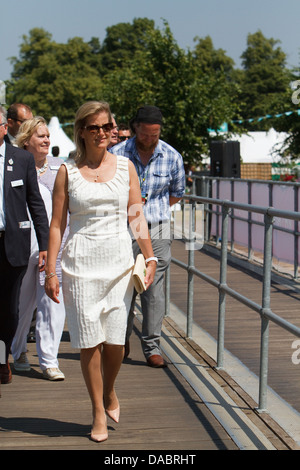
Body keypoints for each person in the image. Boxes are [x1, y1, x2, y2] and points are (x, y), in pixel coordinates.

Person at [44, 101, 156, 443]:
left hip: (119, 264)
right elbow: (56, 225)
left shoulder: (125, 168)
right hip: (79, 267)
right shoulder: (67, 171)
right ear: (82, 131)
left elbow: (136, 214)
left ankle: (109, 389)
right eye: (97, 128)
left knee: (116, 344)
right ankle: (97, 411)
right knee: (89, 342)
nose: (106, 133)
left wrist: (150, 258)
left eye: (109, 127)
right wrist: (51, 271)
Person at [111, 105, 185, 368]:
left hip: (158, 226)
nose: (151, 140)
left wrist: (154, 210)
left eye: (155, 135)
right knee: (125, 285)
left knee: (154, 289)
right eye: (145, 135)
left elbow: (177, 193)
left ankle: (152, 346)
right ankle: (120, 339)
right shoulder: (117, 154)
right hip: (124, 225)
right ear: (135, 130)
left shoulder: (171, 155)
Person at [11, 117, 67, 380]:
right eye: (40, 137)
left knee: (52, 302)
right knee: (21, 304)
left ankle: (49, 361)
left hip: (54, 247)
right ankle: (18, 350)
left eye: (47, 136)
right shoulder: (15, 165)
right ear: (26, 141)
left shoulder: (60, 168)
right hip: (22, 246)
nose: (46, 140)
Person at [0, 106, 49, 385]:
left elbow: (35, 203)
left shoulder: (20, 159)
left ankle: (2, 357)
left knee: (9, 308)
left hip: (12, 244)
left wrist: (44, 244)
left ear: (5, 127)